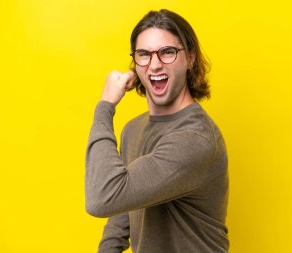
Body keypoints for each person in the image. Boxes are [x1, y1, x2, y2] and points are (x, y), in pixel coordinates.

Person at [85, 9, 229, 253]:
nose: (154, 64)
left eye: (167, 52)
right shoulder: (133, 129)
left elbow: (103, 198)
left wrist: (105, 107)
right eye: (144, 54)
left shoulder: (195, 139)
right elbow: (122, 213)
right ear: (135, 64)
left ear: (190, 59)